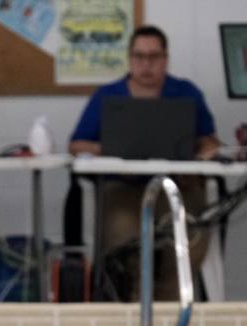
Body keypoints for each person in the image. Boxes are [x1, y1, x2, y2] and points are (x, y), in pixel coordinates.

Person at [68, 25, 218, 303]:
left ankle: (170, 308)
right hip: (123, 188)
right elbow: (76, 145)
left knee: (189, 237)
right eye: (139, 57)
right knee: (125, 238)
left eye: (153, 57)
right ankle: (137, 307)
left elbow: (210, 141)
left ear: (165, 58)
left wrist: (200, 154)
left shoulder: (186, 92)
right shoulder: (107, 96)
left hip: (176, 187)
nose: (146, 64)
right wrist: (111, 149)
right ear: (129, 58)